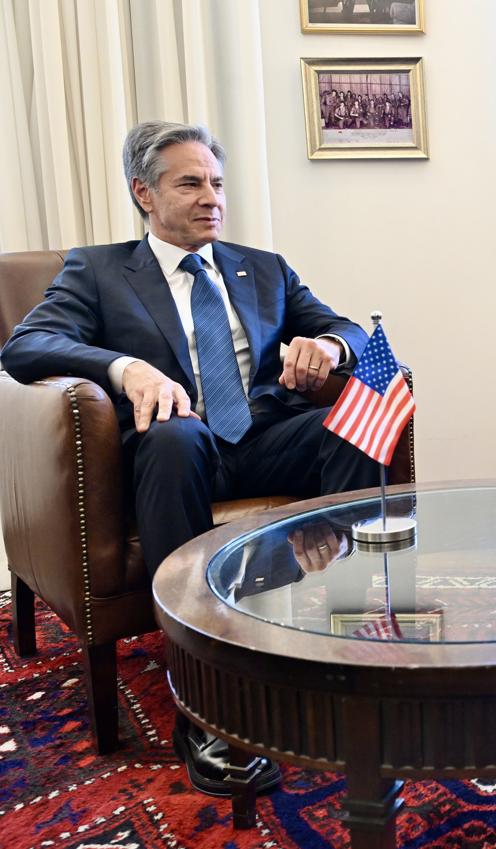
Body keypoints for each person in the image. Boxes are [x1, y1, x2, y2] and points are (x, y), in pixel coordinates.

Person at [0, 121, 383, 798]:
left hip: (262, 439)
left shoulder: (261, 266)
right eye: (190, 183)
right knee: (174, 434)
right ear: (144, 193)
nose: (212, 197)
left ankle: (345, 643)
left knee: (349, 424)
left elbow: (344, 324)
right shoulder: (97, 269)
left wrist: (330, 349)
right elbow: (25, 348)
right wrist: (124, 368)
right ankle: (202, 691)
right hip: (174, 452)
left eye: (217, 183)